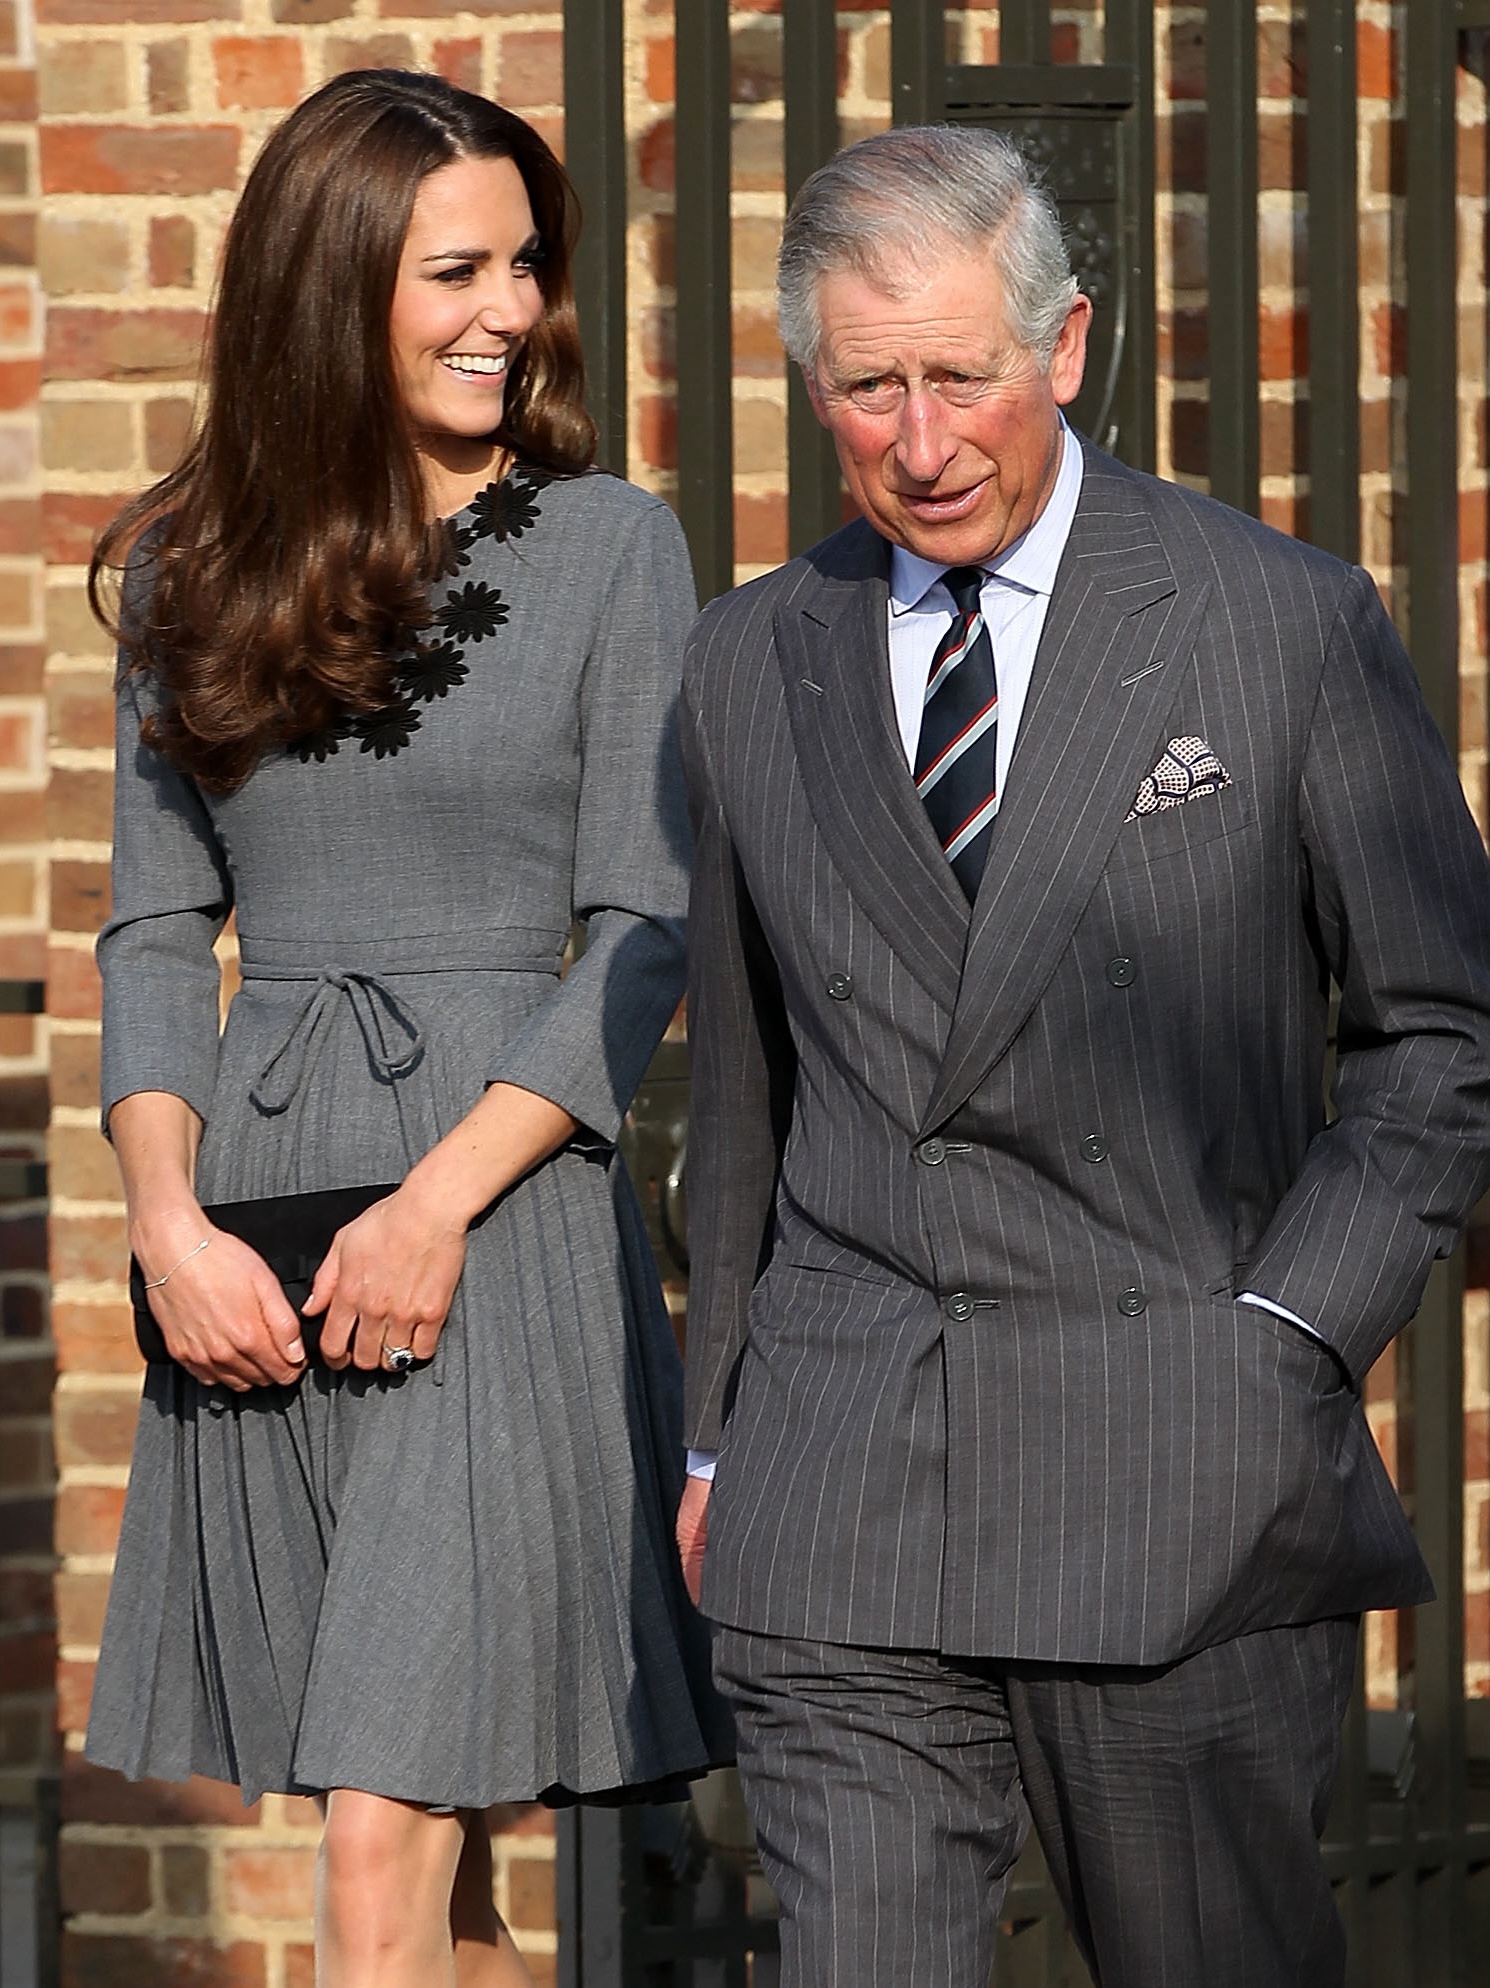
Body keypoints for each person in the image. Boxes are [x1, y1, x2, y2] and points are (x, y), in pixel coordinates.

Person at [675, 123, 1490, 1988]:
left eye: (959, 376)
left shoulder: (1273, 624)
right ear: (816, 385)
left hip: (1174, 1485)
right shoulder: (748, 660)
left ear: (1064, 347)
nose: (921, 439)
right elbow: (746, 1092)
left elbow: (1441, 1033)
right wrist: (722, 1428)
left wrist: (1282, 1344)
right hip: (842, 1487)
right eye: (867, 388)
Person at [86, 69, 726, 1988]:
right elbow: (151, 924)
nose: (506, 310)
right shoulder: (199, 565)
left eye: (525, 265)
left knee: (380, 1823)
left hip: (496, 1209)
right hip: (263, 1218)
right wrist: (166, 1224)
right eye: (456, 267)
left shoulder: (613, 546)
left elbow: (646, 920)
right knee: (433, 1873)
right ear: (331, 285)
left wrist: (441, 1205)